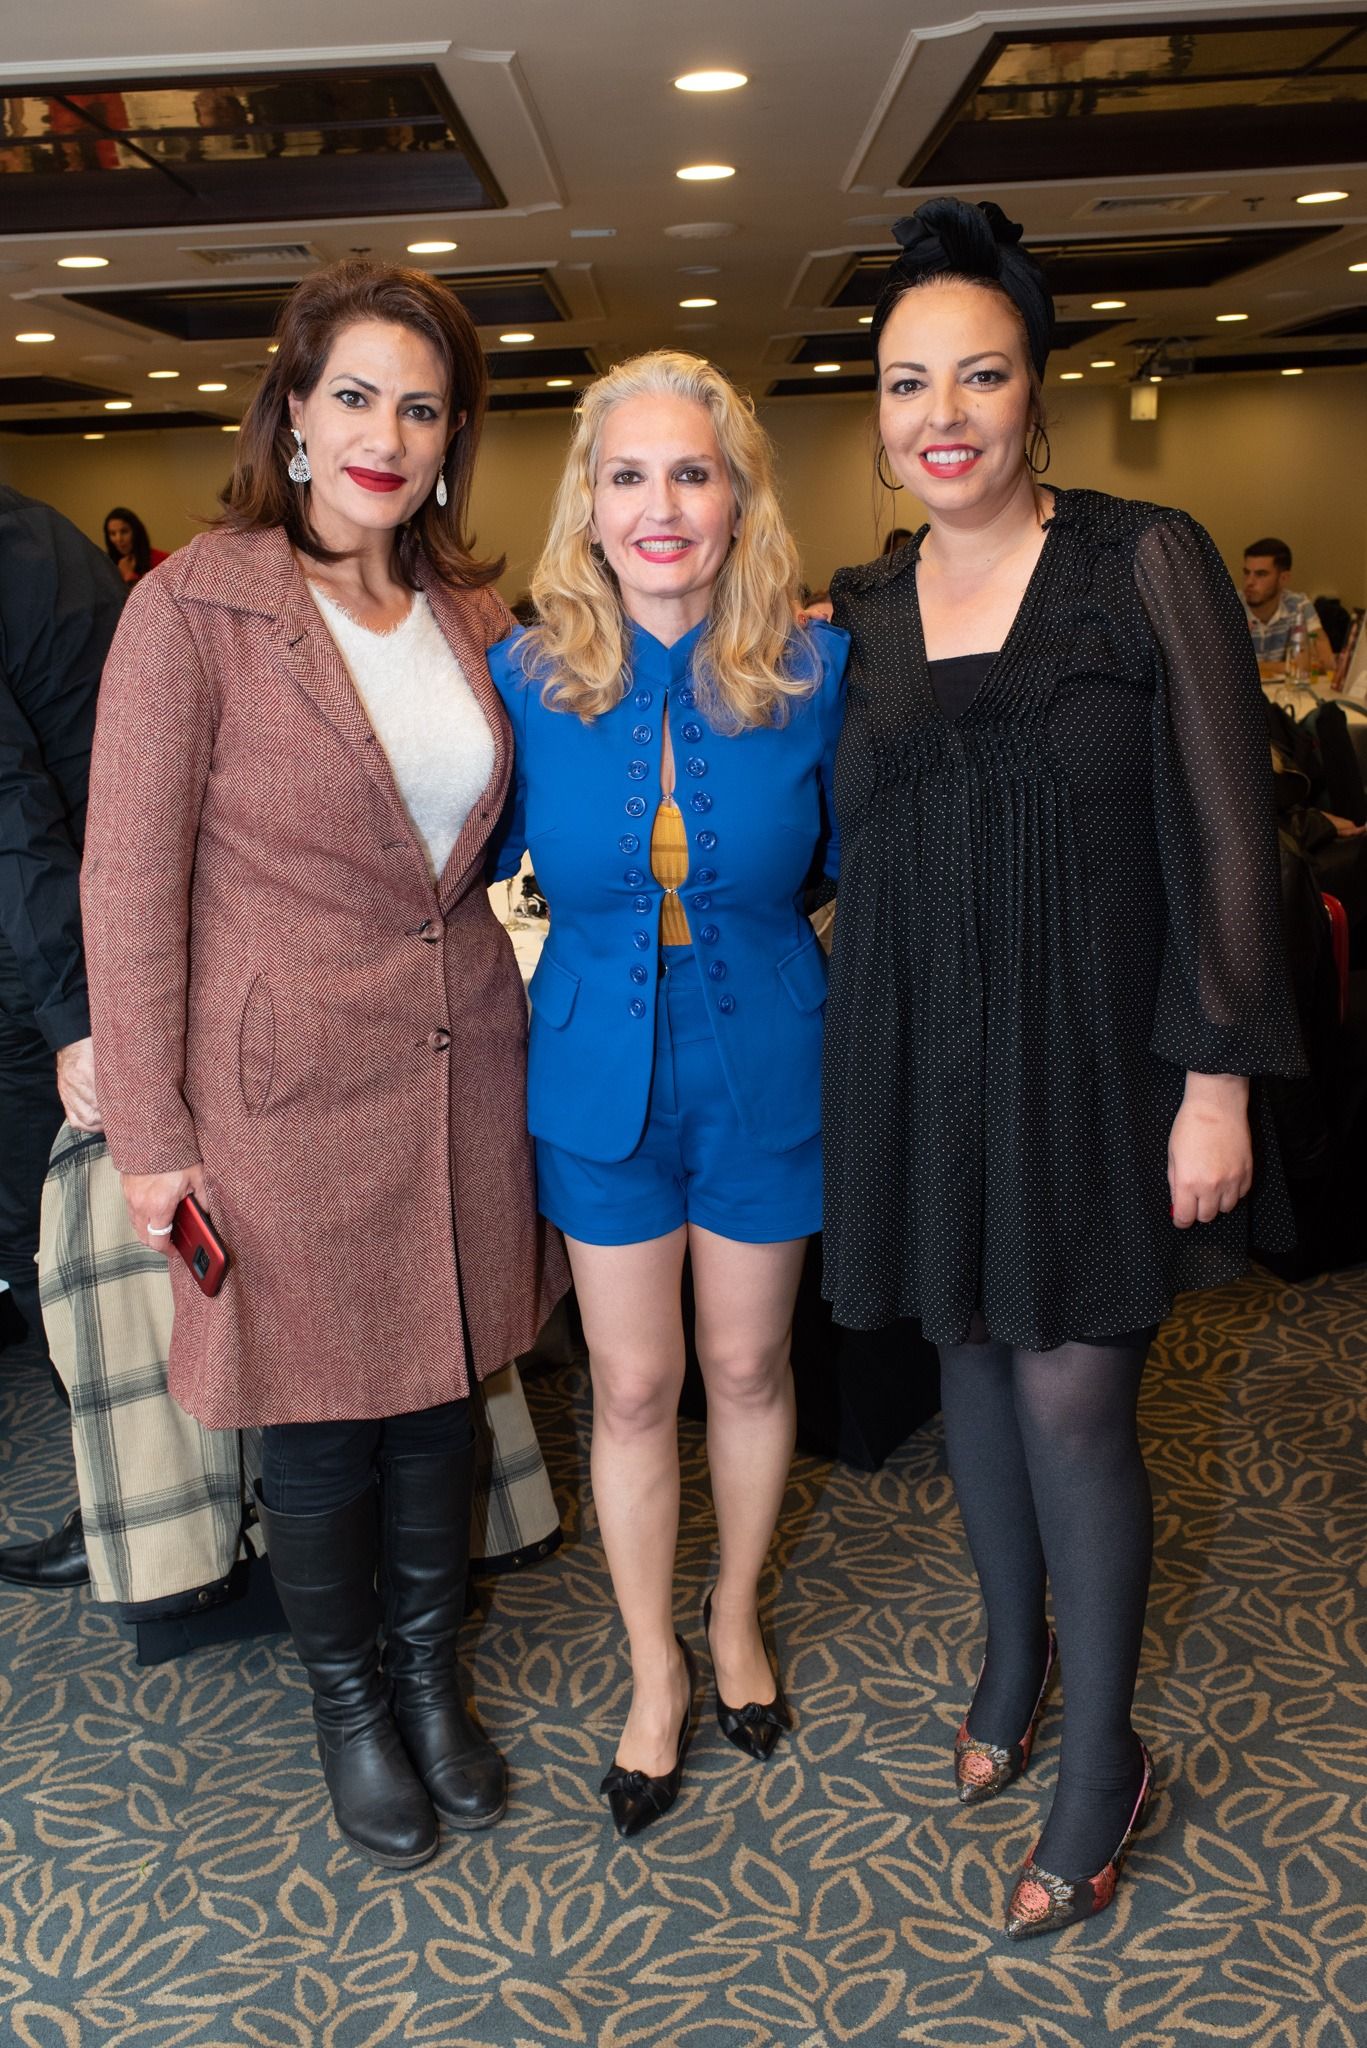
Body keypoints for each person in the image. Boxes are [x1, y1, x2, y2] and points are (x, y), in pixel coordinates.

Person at [821, 199, 1303, 1939]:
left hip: (1099, 1071)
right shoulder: (866, 607)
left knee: (1071, 1404)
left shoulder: (1138, 555)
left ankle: (1104, 1758)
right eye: (905, 382)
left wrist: (1215, 1080)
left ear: (1035, 390)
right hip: (923, 1068)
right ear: (878, 415)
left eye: (978, 373)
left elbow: (1228, 835)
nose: (940, 412)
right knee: (964, 1364)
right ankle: (1007, 1659)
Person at [82, 259, 567, 1869]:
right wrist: (151, 1136)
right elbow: (127, 889)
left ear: (450, 440)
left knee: (437, 1397)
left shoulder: (472, 613)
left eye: (420, 409)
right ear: (292, 414)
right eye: (354, 397)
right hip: (280, 1090)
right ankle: (348, 1704)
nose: (385, 435)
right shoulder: (193, 608)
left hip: (459, 1064)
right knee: (313, 1417)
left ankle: (428, 1678)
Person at [487, 350, 847, 1838]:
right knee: (632, 1385)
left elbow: (868, 863)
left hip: (768, 1061)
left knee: (748, 1368)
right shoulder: (521, 679)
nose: (660, 505)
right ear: (587, 503)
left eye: (690, 474)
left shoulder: (817, 672)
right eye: (626, 475)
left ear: (736, 498)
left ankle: (732, 1611)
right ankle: (652, 1664)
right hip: (594, 1072)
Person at [0, 485, 123, 1592]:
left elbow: (15, 812)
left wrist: (71, 1015)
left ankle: (118, 1510)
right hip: (108, 921)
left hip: (51, 956)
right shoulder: (36, 525)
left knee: (53, 1247)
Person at [1242, 538, 1333, 674]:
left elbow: (1325, 661)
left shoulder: (1299, 605)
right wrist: (1287, 666)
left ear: (1283, 578)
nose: (1249, 582)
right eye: (1246, 573)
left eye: (1261, 574)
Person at [103, 506, 168, 587]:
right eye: (113, 534)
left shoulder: (162, 560)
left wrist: (129, 575)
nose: (118, 539)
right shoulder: (106, 564)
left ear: (136, 532)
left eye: (124, 532)